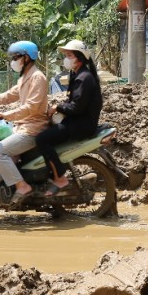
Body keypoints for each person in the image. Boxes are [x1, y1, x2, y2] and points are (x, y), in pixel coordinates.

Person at [0, 40, 50, 205]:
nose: (13, 61)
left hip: (32, 129)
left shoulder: (38, 78)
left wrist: (5, 115)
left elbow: (31, 107)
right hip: (21, 127)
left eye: (16, 57)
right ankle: (9, 189)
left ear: (27, 58)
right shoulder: (25, 78)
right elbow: (8, 95)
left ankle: (22, 186)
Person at [36, 40, 103, 196]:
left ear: (79, 57)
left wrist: (57, 108)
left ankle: (59, 177)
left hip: (81, 125)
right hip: (78, 121)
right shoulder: (78, 75)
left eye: (69, 55)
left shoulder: (83, 78)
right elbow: (73, 102)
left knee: (41, 139)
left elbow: (76, 107)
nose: (66, 58)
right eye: (65, 55)